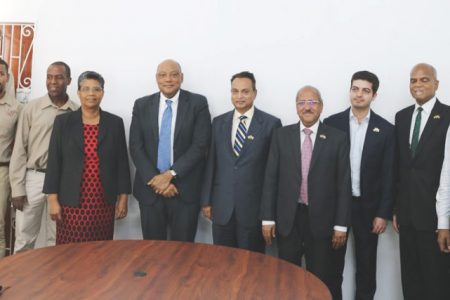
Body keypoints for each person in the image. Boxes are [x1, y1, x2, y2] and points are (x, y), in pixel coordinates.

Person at [260, 85, 351, 297]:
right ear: (296, 107)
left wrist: (341, 225)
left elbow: (343, 184)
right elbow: (270, 178)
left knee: (320, 279)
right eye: (302, 103)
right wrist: (267, 219)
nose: (307, 107)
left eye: (312, 102)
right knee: (285, 277)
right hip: (288, 221)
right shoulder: (281, 135)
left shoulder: (337, 138)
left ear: (321, 107)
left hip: (322, 222)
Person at [324, 71, 395, 300]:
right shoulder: (331, 123)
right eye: (355, 89)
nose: (359, 94)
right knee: (332, 268)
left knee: (366, 269)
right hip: (337, 209)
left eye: (365, 90)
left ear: (374, 95)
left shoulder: (385, 130)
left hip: (368, 210)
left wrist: (383, 213)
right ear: (350, 91)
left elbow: (388, 175)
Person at [43, 71, 131, 244]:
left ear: (102, 93)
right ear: (78, 92)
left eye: (96, 89)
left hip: (103, 200)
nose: (91, 93)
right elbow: (54, 161)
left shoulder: (115, 123)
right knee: (69, 251)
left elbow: (122, 162)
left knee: (100, 250)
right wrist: (52, 199)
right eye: (86, 89)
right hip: (71, 200)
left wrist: (123, 198)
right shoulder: (63, 122)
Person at [129, 59, 211, 241]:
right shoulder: (142, 105)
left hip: (184, 190)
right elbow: (136, 146)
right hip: (150, 190)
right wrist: (156, 180)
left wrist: (170, 175)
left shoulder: (198, 103)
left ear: (181, 77)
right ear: (156, 78)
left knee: (183, 253)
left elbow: (200, 145)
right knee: (152, 251)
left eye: (174, 74)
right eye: (163, 75)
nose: (168, 79)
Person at [201, 71, 281, 253]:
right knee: (222, 264)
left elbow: (273, 173)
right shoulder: (218, 122)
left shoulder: (271, 124)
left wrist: (269, 214)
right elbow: (211, 163)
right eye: (235, 91)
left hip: (253, 211)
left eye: (245, 91)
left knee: (251, 267)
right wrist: (206, 200)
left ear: (255, 93)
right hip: (222, 209)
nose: (239, 96)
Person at [394, 63, 450, 300]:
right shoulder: (402, 116)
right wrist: (396, 208)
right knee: (411, 282)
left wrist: (444, 221)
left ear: (436, 84)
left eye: (424, 80)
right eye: (413, 80)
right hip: (406, 217)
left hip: (434, 217)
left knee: (437, 283)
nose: (418, 85)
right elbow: (400, 166)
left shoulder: (447, 116)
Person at [9, 61, 78, 253]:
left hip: (62, 182)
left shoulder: (77, 112)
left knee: (57, 238)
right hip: (34, 178)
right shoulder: (31, 108)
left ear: (69, 80)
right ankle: (18, 281)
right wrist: (17, 187)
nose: (53, 81)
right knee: (24, 237)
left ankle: (51, 281)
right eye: (49, 77)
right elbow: (19, 149)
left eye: (59, 77)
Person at [0, 58, 22, 257]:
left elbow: (20, 146)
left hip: (2, 171)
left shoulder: (16, 108)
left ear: (7, 77)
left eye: (0, 74)